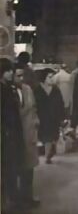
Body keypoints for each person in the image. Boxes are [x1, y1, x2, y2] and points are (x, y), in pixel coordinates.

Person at [13, 63, 40, 208]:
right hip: (15, 135)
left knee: (29, 168)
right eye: (18, 75)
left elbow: (34, 107)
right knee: (16, 168)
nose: (21, 78)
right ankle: (16, 200)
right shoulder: (7, 92)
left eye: (22, 75)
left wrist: (36, 122)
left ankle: (28, 196)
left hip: (29, 132)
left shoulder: (28, 89)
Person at [0, 58, 24, 212]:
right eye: (8, 70)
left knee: (9, 168)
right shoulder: (4, 89)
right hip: (6, 134)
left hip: (10, 133)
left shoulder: (8, 88)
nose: (11, 73)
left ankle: (10, 200)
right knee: (7, 168)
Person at [34, 68, 65, 164]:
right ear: (44, 78)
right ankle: (47, 155)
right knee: (46, 137)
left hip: (54, 117)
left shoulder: (56, 90)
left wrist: (62, 117)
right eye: (50, 77)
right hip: (42, 117)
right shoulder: (37, 89)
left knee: (52, 137)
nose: (52, 79)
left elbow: (61, 103)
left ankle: (49, 154)